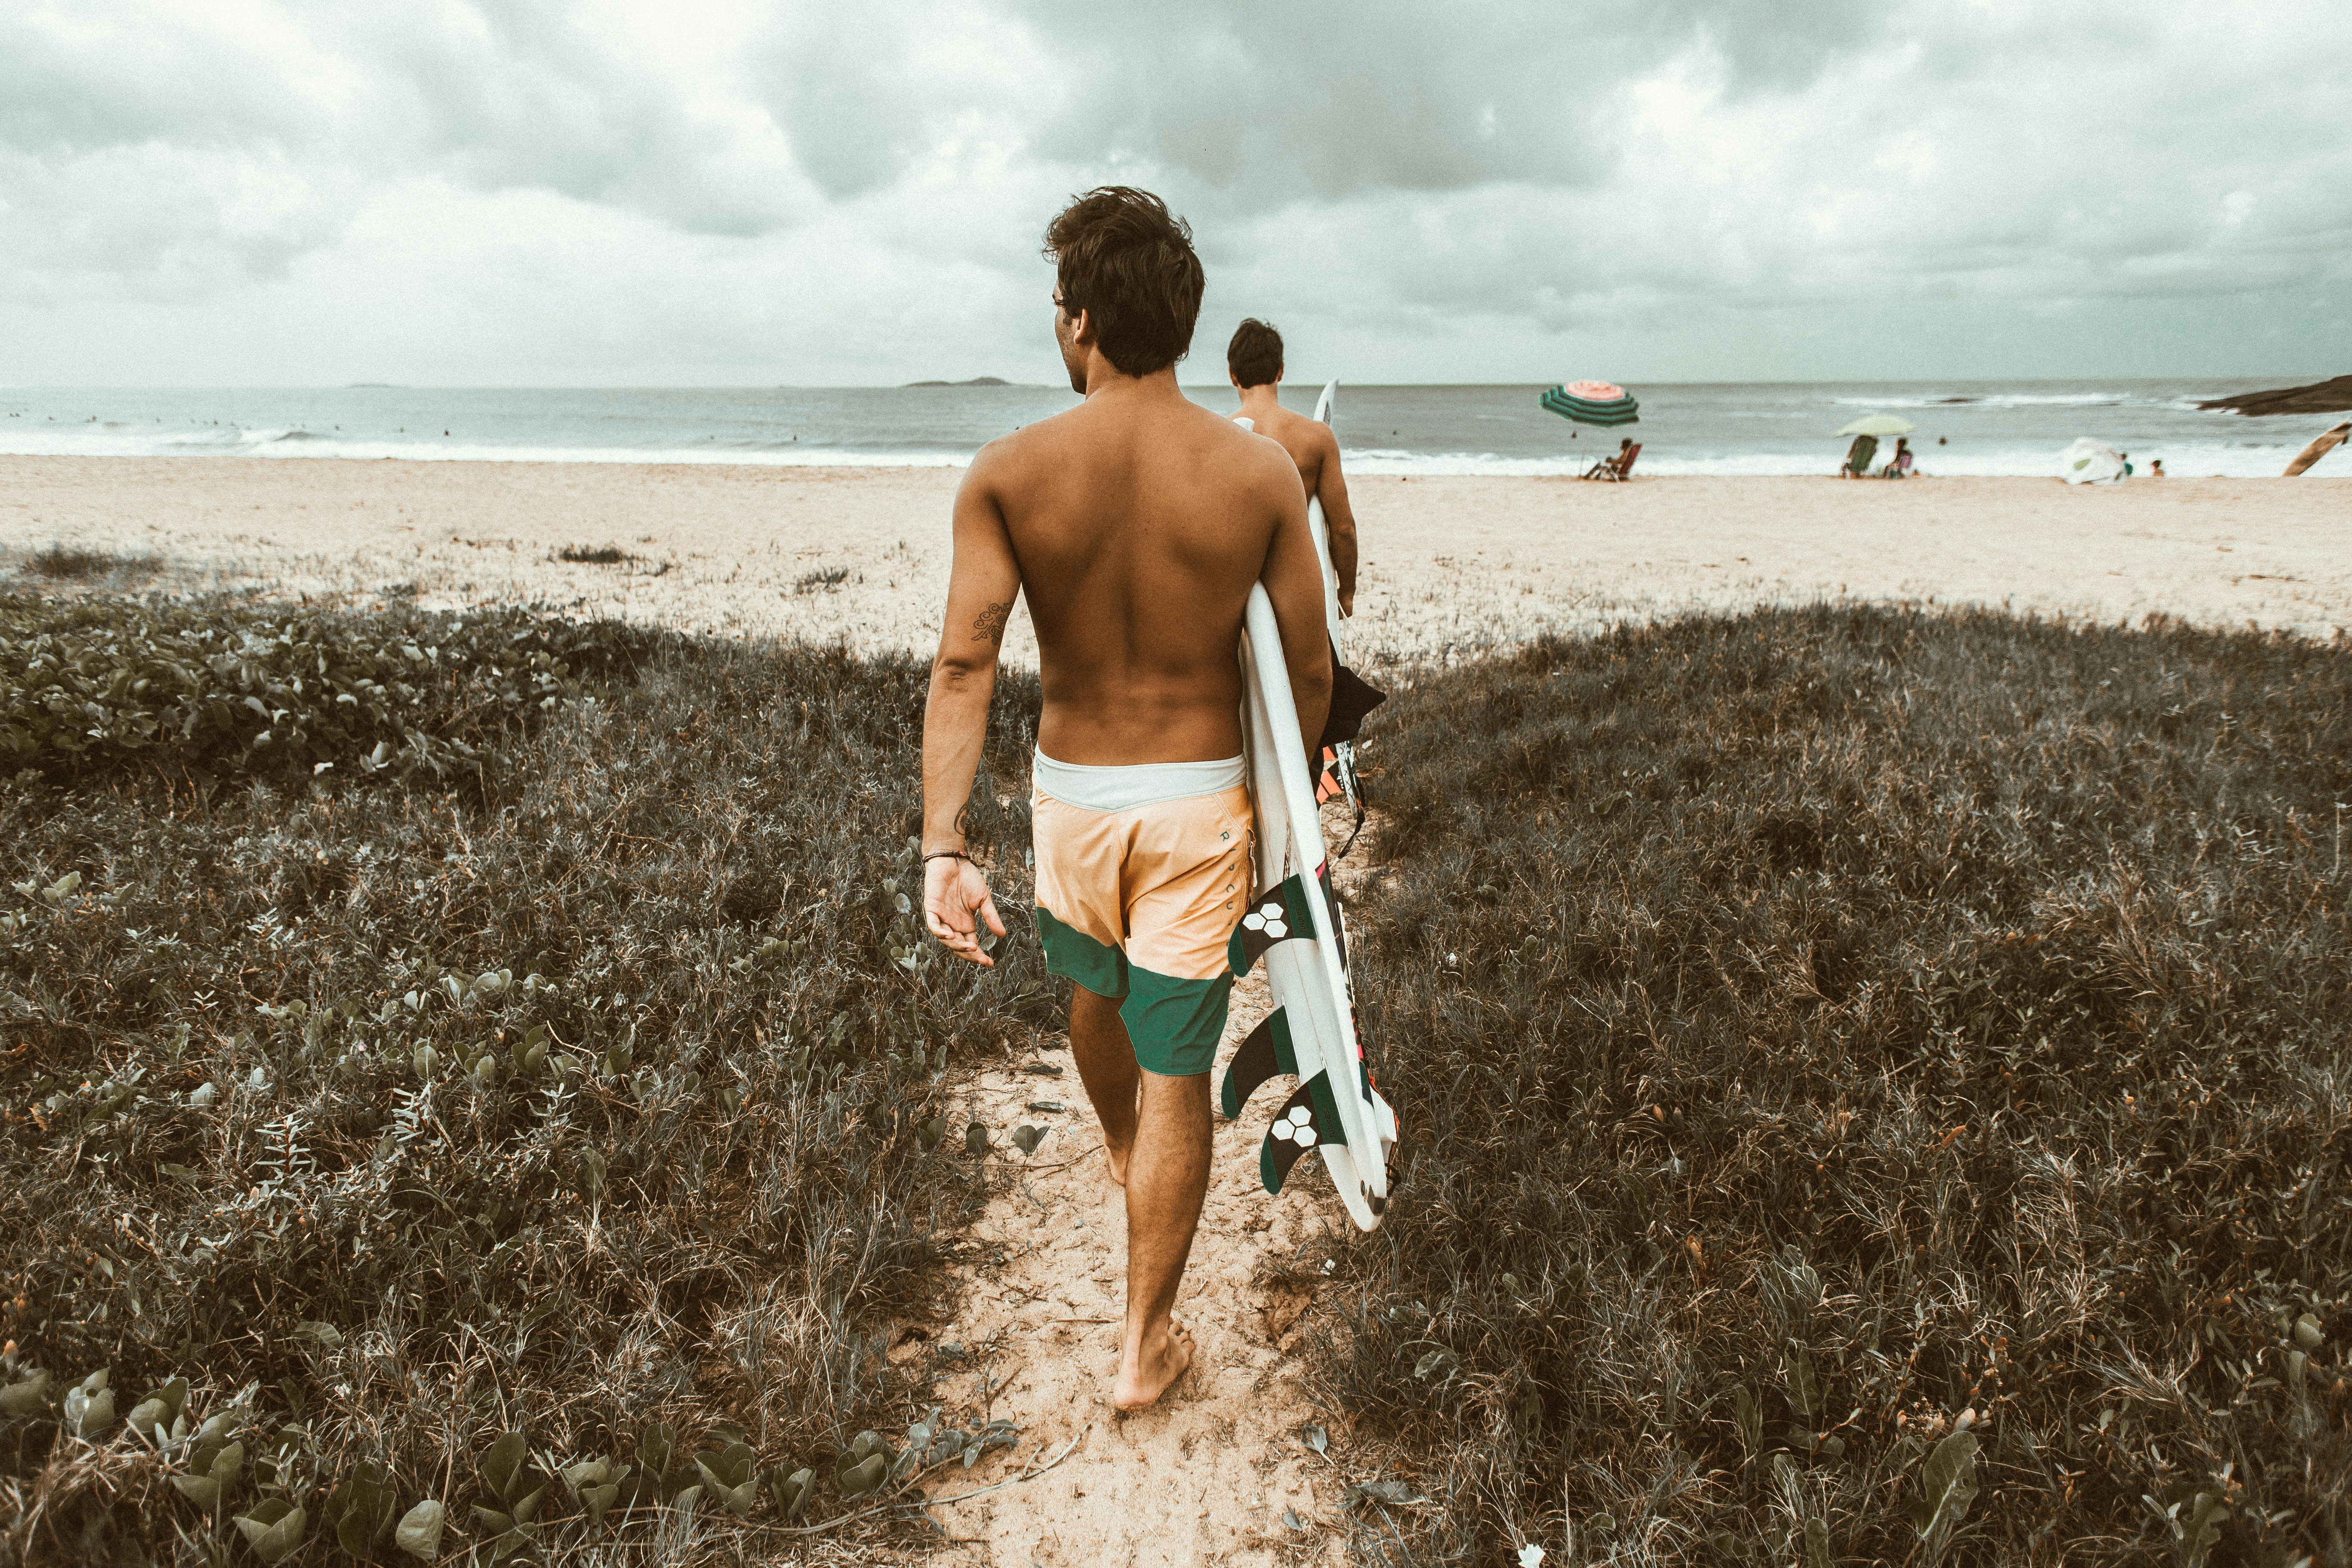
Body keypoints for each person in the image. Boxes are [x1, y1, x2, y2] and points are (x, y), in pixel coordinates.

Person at [919, 187, 1332, 1413]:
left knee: (1089, 989)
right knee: (1179, 1071)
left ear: (1082, 322)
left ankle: (1124, 1161)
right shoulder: (1257, 478)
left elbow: (965, 659)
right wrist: (1290, 796)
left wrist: (943, 843)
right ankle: (1144, 1341)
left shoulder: (1009, 471)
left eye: (1060, 307)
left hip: (1075, 802)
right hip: (1201, 801)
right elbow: (1307, 667)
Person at [1226, 318, 1358, 616]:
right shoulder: (1317, 438)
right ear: (1281, 371)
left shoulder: (1219, 436)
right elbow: (1343, 528)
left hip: (1236, 593)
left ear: (1233, 376)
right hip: (1298, 586)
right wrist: (1346, 593)